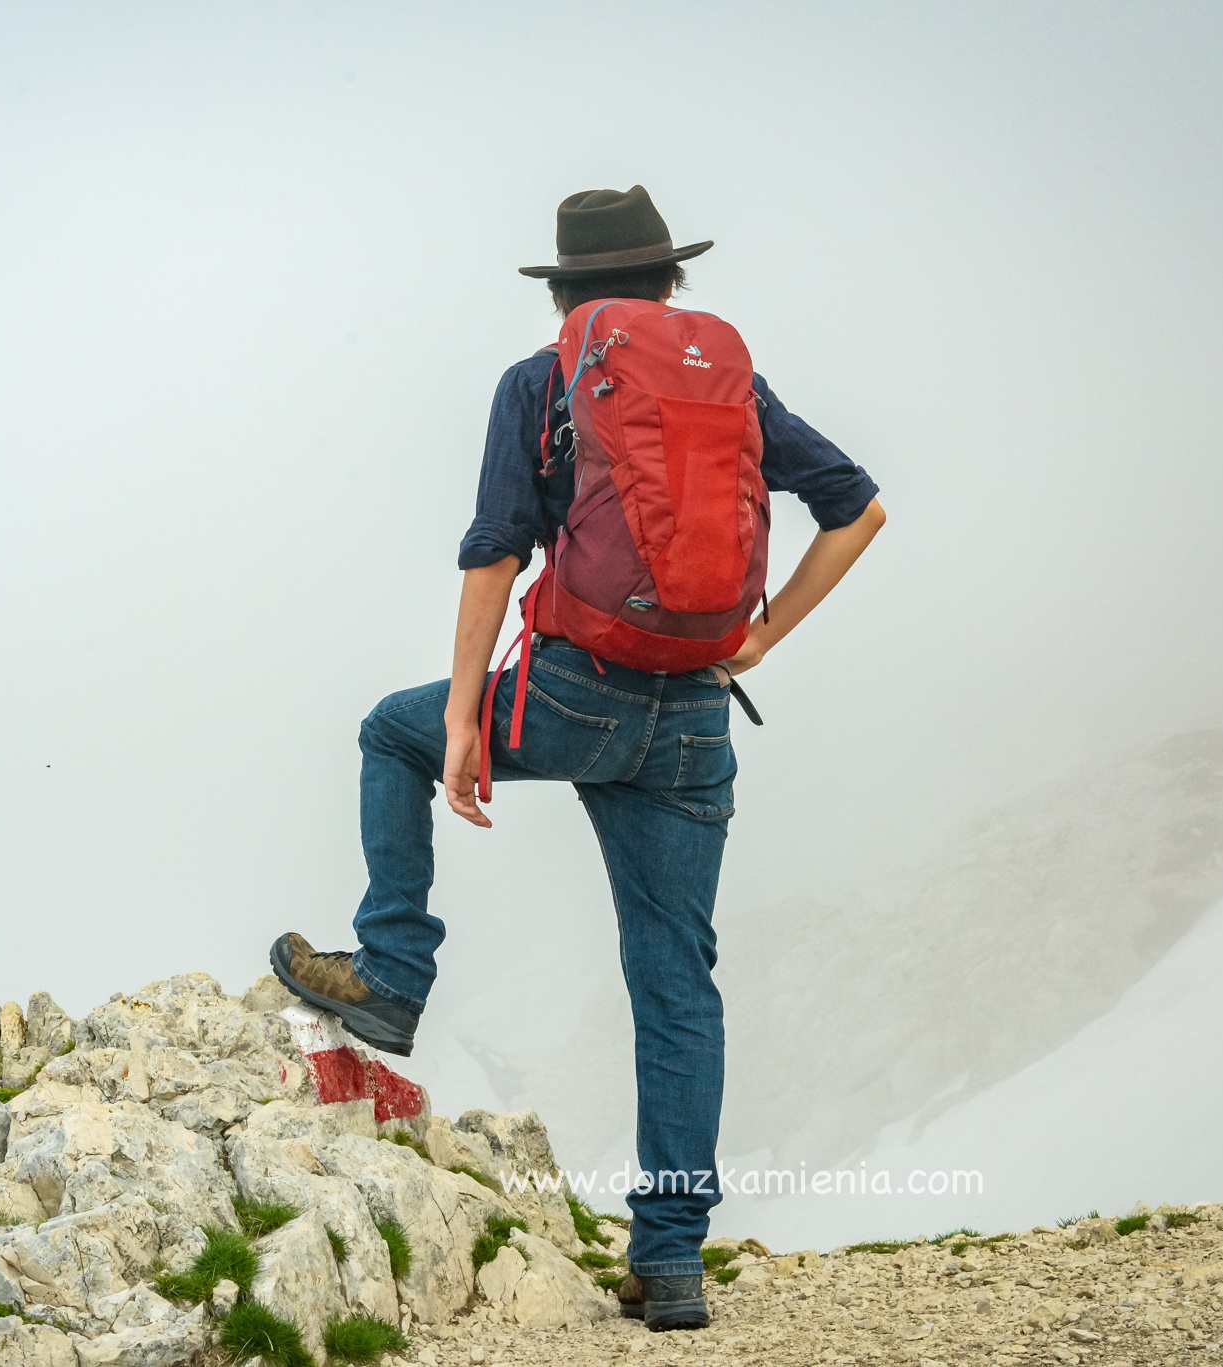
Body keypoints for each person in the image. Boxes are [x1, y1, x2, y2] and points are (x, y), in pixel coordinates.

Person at [268, 186, 884, 1332]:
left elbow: (494, 551)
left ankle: (394, 972)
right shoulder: (729, 386)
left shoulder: (542, 379)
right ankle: (671, 1261)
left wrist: (463, 713)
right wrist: (759, 636)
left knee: (386, 730)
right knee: (674, 987)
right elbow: (856, 509)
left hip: (571, 693)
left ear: (564, 293)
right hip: (696, 715)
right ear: (667, 284)